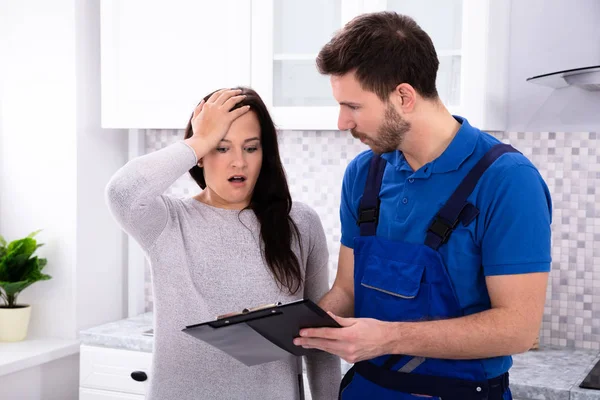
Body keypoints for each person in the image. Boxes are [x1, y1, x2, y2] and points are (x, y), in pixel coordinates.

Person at [293, 12, 551, 400]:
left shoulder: (508, 180)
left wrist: (386, 339)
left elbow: (518, 328)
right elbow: (346, 291)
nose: (342, 122)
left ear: (403, 97)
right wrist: (290, 323)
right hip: (367, 390)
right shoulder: (364, 173)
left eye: (353, 106)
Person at [105, 87, 340, 400]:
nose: (238, 163)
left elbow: (320, 341)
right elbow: (122, 192)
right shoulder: (169, 222)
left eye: (251, 148)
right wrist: (200, 140)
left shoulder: (299, 223)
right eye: (222, 147)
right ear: (200, 156)